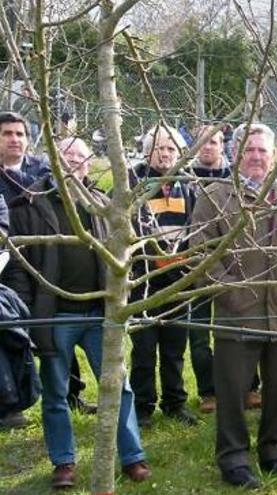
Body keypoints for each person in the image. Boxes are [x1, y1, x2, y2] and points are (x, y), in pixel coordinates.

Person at [2, 137, 151, 489]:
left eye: (81, 158)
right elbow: (19, 268)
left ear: (89, 164)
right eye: (66, 157)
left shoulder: (102, 204)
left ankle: (132, 457)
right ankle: (64, 462)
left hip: (101, 314)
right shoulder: (28, 207)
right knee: (56, 392)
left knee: (119, 386)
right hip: (55, 316)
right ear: (53, 161)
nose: (73, 164)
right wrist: (29, 315)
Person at [191, 122, 277, 489]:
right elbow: (201, 254)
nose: (256, 157)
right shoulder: (215, 196)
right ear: (236, 154)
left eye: (263, 151)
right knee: (232, 392)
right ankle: (233, 457)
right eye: (249, 150)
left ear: (276, 155)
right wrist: (229, 292)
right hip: (237, 313)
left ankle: (274, 450)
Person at [0, 111, 94, 419]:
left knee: (57, 329)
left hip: (48, 257)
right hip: (13, 258)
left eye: (20, 134)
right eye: (7, 134)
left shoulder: (41, 170)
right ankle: (16, 397)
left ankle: (71, 392)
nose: (15, 139)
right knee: (17, 332)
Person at [128, 124, 198, 428]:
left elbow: (197, 228)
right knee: (143, 350)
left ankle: (175, 403)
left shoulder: (188, 184)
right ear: (147, 151)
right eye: (159, 148)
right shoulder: (134, 181)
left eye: (171, 148)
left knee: (174, 347)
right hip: (144, 281)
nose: (166, 153)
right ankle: (142, 407)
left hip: (178, 279)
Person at [186, 125, 232, 414]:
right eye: (202, 142)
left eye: (213, 142)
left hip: (232, 264)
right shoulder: (184, 179)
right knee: (200, 334)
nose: (208, 147)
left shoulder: (234, 179)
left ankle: (247, 385)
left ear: (223, 146)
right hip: (197, 264)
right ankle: (208, 391)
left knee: (236, 328)